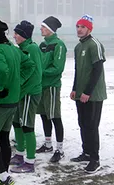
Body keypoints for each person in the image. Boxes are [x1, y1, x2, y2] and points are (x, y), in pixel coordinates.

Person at [0, 18, 34, 185]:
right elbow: (29, 65)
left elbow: (1, 70)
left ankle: (4, 177)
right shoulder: (13, 48)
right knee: (3, 137)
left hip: (2, 102)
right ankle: (1, 174)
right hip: (13, 100)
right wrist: (17, 83)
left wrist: (0, 88)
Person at [70, 15, 106, 174]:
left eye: (82, 27)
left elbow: (97, 69)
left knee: (92, 126)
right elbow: (78, 70)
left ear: (89, 29)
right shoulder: (78, 47)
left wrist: (87, 92)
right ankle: (86, 152)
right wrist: (75, 88)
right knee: (82, 124)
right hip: (81, 94)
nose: (79, 29)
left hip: (93, 94)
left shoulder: (94, 44)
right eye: (77, 26)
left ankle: (95, 158)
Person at [9, 21, 43, 173]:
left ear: (24, 35)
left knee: (27, 126)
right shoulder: (22, 48)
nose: (14, 36)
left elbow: (35, 76)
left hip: (29, 93)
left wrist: (21, 91)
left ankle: (30, 161)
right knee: (17, 123)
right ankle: (19, 153)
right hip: (20, 93)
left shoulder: (32, 49)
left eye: (17, 33)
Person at [37, 16, 67, 163]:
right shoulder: (42, 45)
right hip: (41, 86)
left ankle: (60, 149)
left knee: (55, 116)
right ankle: (48, 144)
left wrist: (41, 73)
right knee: (44, 114)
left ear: (50, 29)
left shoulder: (59, 45)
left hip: (52, 86)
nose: (41, 29)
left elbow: (58, 68)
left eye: (43, 27)